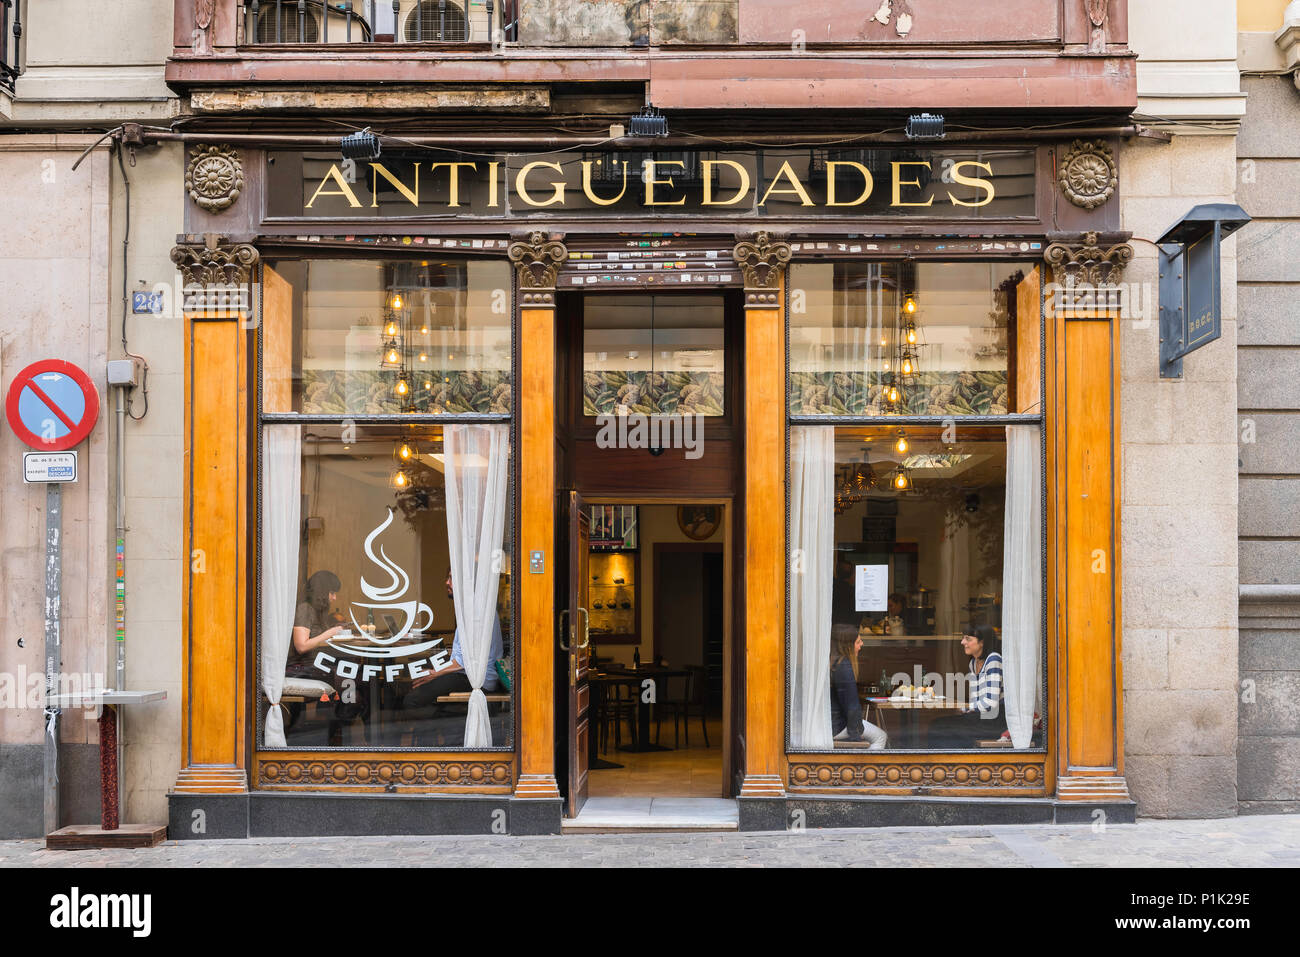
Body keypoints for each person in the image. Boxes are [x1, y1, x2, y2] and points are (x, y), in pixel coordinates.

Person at [403, 567, 505, 710]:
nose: (447, 583)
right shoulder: (470, 608)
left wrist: (435, 674)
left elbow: (465, 662)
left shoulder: (476, 611)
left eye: (451, 578)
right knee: (414, 688)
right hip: (466, 674)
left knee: (411, 700)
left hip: (475, 679)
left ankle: (440, 726)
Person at [286, 569, 368, 734]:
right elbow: (301, 645)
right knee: (358, 683)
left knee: (364, 681)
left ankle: (339, 729)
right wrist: (329, 633)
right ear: (322, 592)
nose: (334, 597)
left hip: (318, 666)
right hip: (303, 668)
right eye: (332, 593)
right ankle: (338, 730)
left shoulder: (319, 611)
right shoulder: (304, 609)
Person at [927, 625, 1007, 748]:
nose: (963, 642)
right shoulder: (973, 663)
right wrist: (965, 709)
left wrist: (966, 708)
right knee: (937, 724)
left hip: (994, 720)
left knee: (941, 728)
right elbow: (975, 699)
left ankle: (953, 763)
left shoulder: (993, 660)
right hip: (981, 717)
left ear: (982, 642)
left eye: (968, 639)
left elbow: (990, 702)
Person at [830, 624, 888, 749]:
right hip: (836, 726)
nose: (861, 644)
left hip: (828, 724)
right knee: (880, 736)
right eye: (858, 641)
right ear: (847, 646)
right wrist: (856, 734)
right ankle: (867, 768)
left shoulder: (832, 662)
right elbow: (852, 706)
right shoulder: (843, 666)